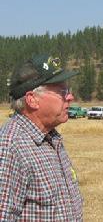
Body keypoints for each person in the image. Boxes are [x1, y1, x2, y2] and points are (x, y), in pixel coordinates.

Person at [0, 54, 83, 221]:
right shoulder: (11, 147)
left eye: (69, 91)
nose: (70, 97)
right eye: (62, 92)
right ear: (32, 100)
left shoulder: (51, 138)